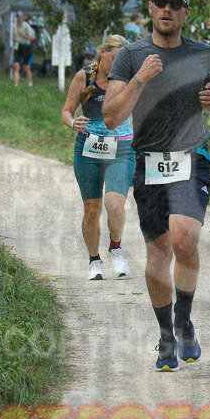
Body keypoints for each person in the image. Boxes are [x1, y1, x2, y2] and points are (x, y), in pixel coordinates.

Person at [103, 0, 210, 372]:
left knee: (184, 237)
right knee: (159, 253)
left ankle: (184, 319)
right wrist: (140, 79)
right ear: (151, 8)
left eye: (175, 4)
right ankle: (166, 336)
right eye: (160, 2)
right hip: (148, 161)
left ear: (186, 13)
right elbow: (111, 116)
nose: (167, 9)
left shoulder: (202, 53)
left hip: (192, 156)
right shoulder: (130, 55)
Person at [61, 34, 135, 281]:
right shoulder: (84, 77)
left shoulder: (129, 79)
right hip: (89, 148)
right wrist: (72, 122)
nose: (118, 66)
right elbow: (66, 110)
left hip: (122, 147)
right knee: (92, 209)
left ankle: (116, 247)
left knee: (115, 203)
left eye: (122, 61)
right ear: (102, 52)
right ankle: (94, 260)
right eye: (114, 59)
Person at [13, 12, 36, 87]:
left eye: (21, 16)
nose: (20, 17)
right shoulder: (14, 25)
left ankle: (30, 83)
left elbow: (31, 38)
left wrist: (22, 34)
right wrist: (13, 39)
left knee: (26, 66)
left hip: (25, 46)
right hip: (17, 46)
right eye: (18, 16)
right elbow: (13, 36)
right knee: (16, 65)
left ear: (23, 17)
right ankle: (16, 84)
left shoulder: (26, 26)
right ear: (16, 17)